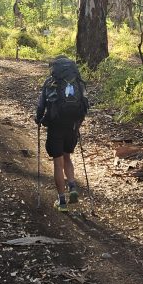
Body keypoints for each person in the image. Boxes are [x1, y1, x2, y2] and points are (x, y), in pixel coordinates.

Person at [35, 55, 89, 212]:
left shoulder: (50, 82)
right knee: (67, 157)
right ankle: (72, 186)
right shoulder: (78, 82)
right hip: (72, 126)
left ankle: (62, 201)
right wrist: (77, 125)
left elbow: (41, 105)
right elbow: (85, 105)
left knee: (58, 163)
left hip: (55, 126)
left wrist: (38, 119)